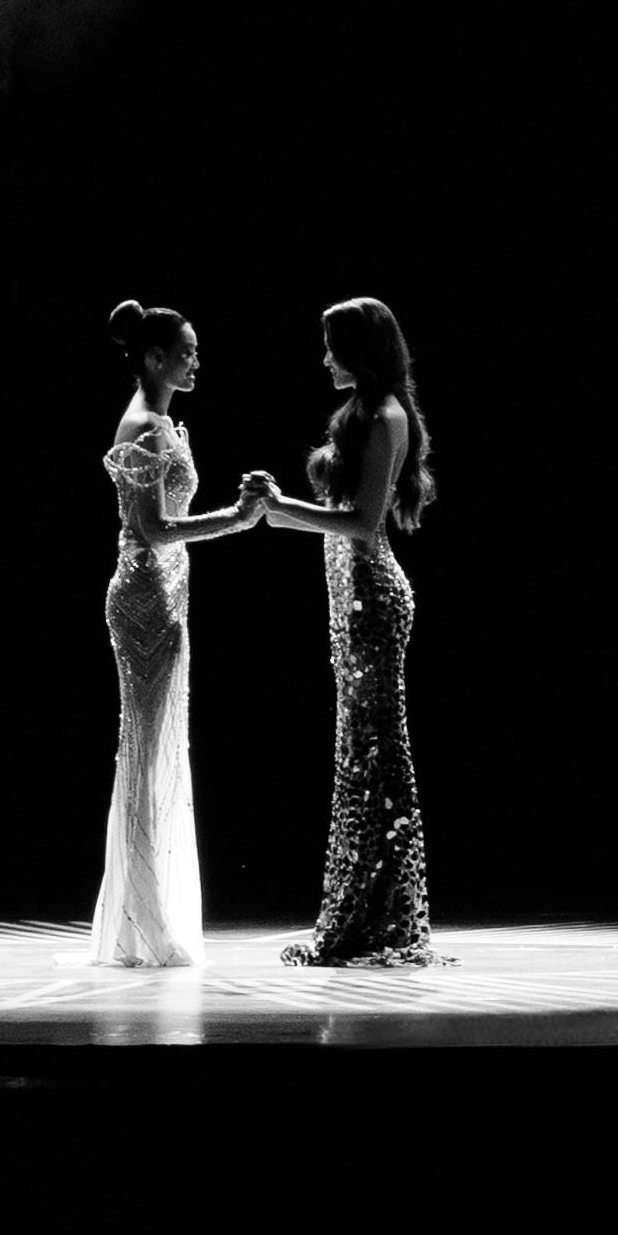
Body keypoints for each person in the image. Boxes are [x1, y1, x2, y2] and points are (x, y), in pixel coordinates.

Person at [244, 297, 448, 969]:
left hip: (373, 602)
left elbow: (362, 523)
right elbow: (335, 517)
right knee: (358, 758)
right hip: (350, 603)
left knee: (377, 760)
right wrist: (278, 513)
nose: (324, 357)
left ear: (360, 349)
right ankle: (364, 912)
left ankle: (381, 916)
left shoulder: (387, 416)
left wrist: (283, 508)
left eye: (333, 345)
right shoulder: (359, 413)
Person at [91, 301, 265, 967]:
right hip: (143, 598)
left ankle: (150, 912)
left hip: (163, 592)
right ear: (156, 356)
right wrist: (234, 518)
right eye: (186, 350)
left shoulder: (159, 421)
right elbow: (153, 530)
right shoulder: (143, 424)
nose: (196, 360)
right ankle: (142, 921)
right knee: (144, 752)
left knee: (158, 748)